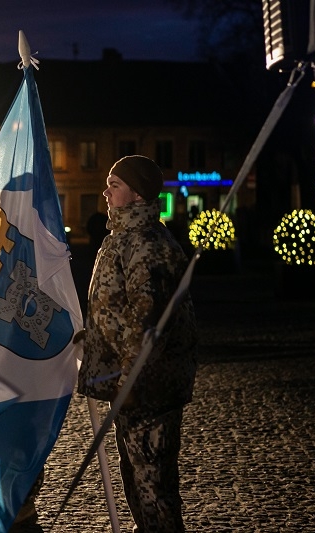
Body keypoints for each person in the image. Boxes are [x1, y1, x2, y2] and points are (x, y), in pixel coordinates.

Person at [78, 155, 198, 532]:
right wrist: (92, 334)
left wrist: (132, 377)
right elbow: (117, 306)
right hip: (131, 384)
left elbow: (149, 322)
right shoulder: (124, 238)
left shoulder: (148, 243)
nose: (106, 192)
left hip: (149, 386)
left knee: (154, 484)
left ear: (137, 193)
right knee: (137, 478)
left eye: (114, 185)